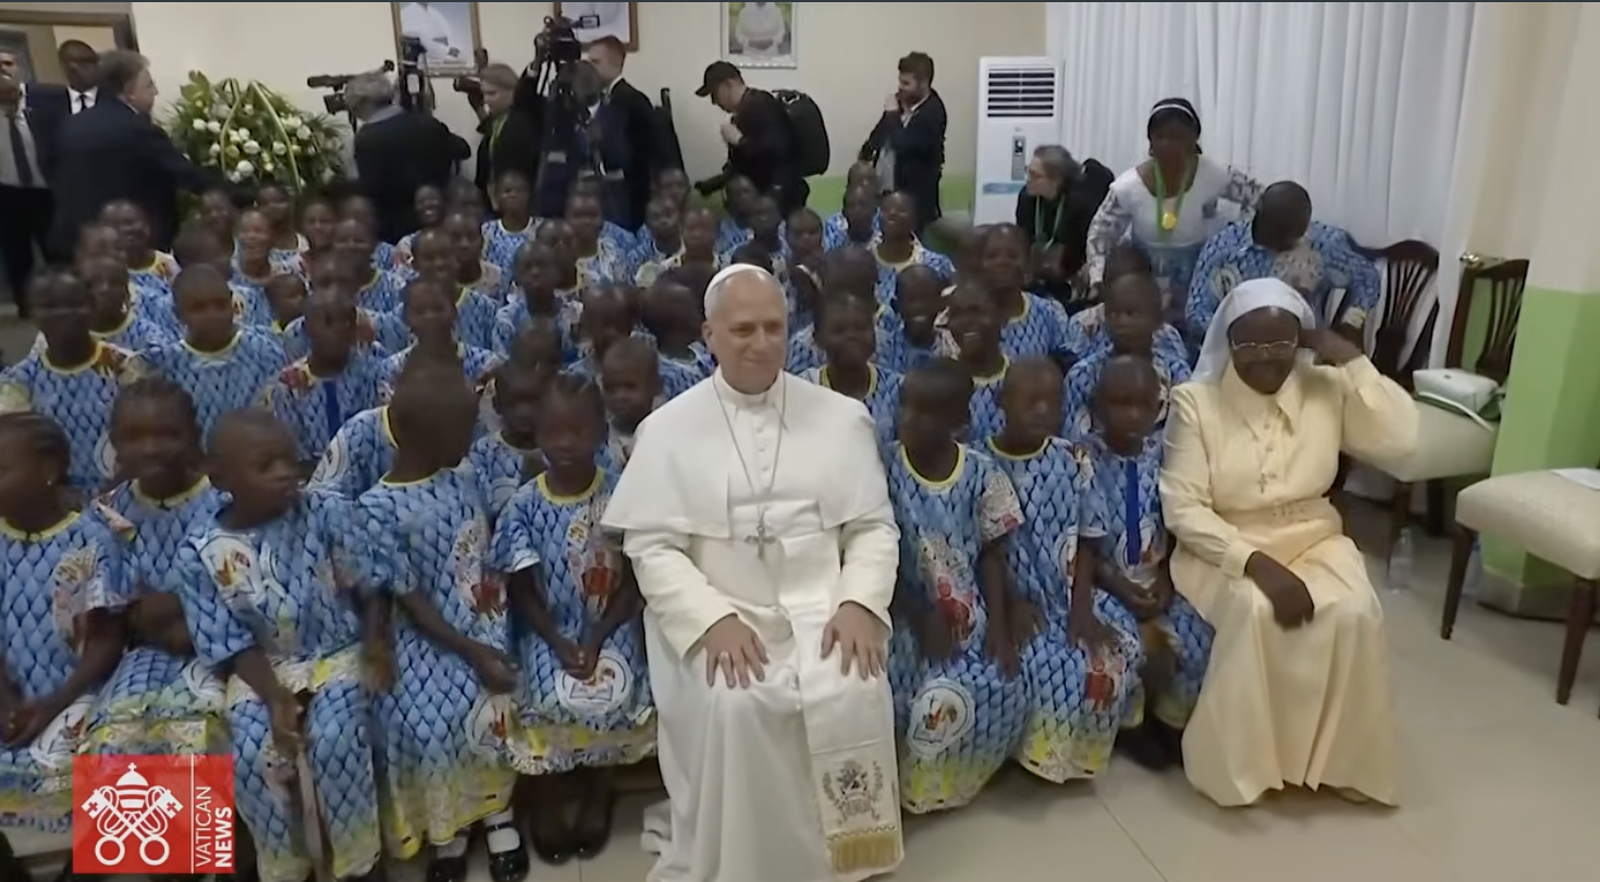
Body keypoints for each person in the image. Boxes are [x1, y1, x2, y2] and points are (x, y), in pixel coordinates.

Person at [600, 264, 904, 882]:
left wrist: (860, 604)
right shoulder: (668, 431)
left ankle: (844, 854)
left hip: (822, 606)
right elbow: (652, 546)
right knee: (739, 704)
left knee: (853, 684)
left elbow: (873, 527)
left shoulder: (841, 419)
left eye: (773, 326)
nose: (761, 342)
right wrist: (712, 622)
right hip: (726, 610)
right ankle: (749, 863)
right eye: (742, 330)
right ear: (708, 334)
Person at [1160, 277, 1416, 807]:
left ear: (1300, 341)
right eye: (1248, 345)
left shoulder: (1324, 386)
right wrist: (1254, 563)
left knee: (1355, 611)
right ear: (1227, 343)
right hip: (1225, 542)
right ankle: (1244, 770)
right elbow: (1184, 509)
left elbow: (1402, 442)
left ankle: (1341, 763)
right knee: (1258, 613)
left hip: (1315, 535)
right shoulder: (1196, 402)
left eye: (1280, 344)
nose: (1264, 360)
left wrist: (1352, 361)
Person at [167, 409, 384, 882]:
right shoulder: (201, 549)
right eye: (267, 464)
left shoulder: (324, 512)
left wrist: (373, 645)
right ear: (221, 476)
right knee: (252, 754)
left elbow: (367, 587)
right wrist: (276, 697)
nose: (286, 472)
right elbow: (229, 641)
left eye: (289, 459)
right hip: (262, 667)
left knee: (333, 740)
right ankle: (284, 865)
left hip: (334, 650)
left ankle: (357, 860)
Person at [357, 367, 527, 882]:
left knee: (494, 703)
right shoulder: (378, 508)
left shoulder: (464, 476)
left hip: (482, 615)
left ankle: (499, 813)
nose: (472, 438)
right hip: (426, 629)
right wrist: (471, 650)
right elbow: (406, 597)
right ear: (427, 437)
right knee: (427, 719)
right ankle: (447, 831)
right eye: (464, 429)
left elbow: (482, 548)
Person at [494, 374, 653, 861]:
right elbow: (523, 594)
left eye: (578, 432)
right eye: (553, 433)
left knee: (618, 688)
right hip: (550, 627)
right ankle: (548, 788)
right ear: (536, 434)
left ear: (600, 434)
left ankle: (600, 781)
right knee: (546, 693)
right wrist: (560, 643)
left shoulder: (623, 495)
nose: (564, 445)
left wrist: (601, 635)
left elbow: (635, 581)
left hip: (611, 621)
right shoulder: (523, 505)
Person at [988, 356, 1143, 783]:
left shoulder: (1073, 459)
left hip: (1070, 592)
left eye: (1053, 402)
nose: (1043, 412)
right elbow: (988, 552)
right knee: (1054, 663)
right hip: (1015, 599)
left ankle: (1080, 755)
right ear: (1002, 401)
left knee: (1116, 648)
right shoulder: (983, 464)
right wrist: (1010, 605)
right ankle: (1038, 755)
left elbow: (1089, 540)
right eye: (1031, 401)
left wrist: (1081, 609)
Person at [885, 358, 1026, 812]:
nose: (909, 419)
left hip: (966, 613)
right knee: (893, 692)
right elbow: (874, 556)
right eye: (905, 406)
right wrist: (917, 613)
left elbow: (992, 555)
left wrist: (1001, 630)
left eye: (927, 413)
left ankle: (939, 783)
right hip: (901, 609)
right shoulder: (884, 467)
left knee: (992, 684)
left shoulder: (982, 474)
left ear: (959, 424)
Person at [1081, 356, 1214, 768]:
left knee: (1198, 635)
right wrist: (1123, 591)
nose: (1132, 415)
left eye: (1143, 404)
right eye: (1119, 404)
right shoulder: (1084, 461)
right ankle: (1132, 724)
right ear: (1098, 409)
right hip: (1105, 583)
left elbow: (1178, 523)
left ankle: (1171, 718)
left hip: (1160, 578)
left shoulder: (1166, 455)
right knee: (1129, 646)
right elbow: (1084, 547)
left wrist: (1169, 579)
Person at [0, 412, 126, 843]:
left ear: (49, 469)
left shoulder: (90, 540)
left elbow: (107, 641)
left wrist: (53, 702)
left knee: (111, 755)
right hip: (13, 698)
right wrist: (6, 700)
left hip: (76, 691)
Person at [88, 378, 227, 757]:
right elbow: (111, 615)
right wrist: (158, 609)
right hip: (137, 655)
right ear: (113, 444)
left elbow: (234, 601)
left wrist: (155, 608)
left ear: (194, 436)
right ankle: (141, 820)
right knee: (111, 739)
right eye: (133, 437)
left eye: (167, 434)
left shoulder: (226, 506)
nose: (150, 448)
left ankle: (203, 819)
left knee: (193, 734)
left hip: (216, 651)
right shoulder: (105, 513)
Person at [1083, 98, 1264, 339]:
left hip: (1201, 277)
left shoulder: (1214, 175)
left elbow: (1260, 198)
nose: (1169, 145)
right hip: (1146, 279)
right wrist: (1098, 278)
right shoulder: (1128, 187)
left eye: (1178, 137)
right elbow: (1100, 234)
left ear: (1194, 140)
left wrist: (1237, 242)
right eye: (1161, 137)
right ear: (1150, 143)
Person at [51, 51, 217, 255]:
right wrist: (247, 195)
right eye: (149, 84)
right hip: (135, 243)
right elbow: (189, 178)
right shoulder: (139, 129)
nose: (155, 91)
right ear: (129, 92)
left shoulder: (70, 124)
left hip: (84, 243)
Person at [1185, 180, 1381, 343]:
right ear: (1259, 212)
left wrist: (1351, 322)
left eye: (1298, 233)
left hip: (1303, 352)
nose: (1293, 241)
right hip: (1237, 352)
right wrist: (1244, 337)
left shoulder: (1321, 242)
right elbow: (1196, 313)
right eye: (1283, 232)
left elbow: (1367, 277)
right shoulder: (1223, 248)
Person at [0, 267, 141, 491]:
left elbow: (147, 435)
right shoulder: (19, 382)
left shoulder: (125, 367)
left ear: (91, 307)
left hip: (126, 487)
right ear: (33, 315)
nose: (62, 314)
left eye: (73, 304)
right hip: (53, 497)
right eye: (49, 307)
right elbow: (17, 450)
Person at [138, 264, 288, 437]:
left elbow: (280, 418)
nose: (212, 315)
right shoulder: (168, 364)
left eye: (221, 305)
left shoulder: (265, 352)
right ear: (178, 313)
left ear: (231, 302)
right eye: (198, 308)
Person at [260, 291, 386, 467]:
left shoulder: (372, 369)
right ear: (307, 328)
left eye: (348, 322)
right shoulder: (287, 386)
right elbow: (295, 455)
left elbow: (382, 437)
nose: (340, 329)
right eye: (328, 322)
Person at [1062, 272, 1191, 442]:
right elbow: (1074, 445)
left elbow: (1185, 438)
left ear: (1156, 320)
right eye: (1113, 314)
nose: (1121, 322)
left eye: (1131, 313)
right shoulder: (1082, 375)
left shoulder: (1176, 374)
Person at [349, 72, 470, 243]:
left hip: (396, 228)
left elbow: (370, 189)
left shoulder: (366, 139)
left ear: (360, 104)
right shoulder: (427, 123)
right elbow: (463, 150)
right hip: (440, 217)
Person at [695, 61, 808, 215]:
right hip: (772, 197)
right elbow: (746, 166)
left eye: (714, 93)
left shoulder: (758, 105)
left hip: (777, 198)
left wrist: (738, 140)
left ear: (729, 84)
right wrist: (713, 184)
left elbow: (777, 150)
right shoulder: (748, 109)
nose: (714, 102)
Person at [803, 288, 903, 449]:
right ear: (818, 338)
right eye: (839, 330)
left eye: (861, 328)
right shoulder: (804, 389)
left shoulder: (898, 389)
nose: (852, 337)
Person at [858, 52, 946, 233]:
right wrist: (866, 154)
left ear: (923, 84)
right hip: (886, 192)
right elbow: (881, 132)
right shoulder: (901, 102)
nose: (901, 87)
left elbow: (903, 144)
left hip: (914, 200)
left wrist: (892, 113)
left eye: (907, 83)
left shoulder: (933, 112)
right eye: (900, 81)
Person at [1015, 144, 1114, 300]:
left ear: (1056, 180)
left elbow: (1085, 249)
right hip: (1039, 272)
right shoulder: (1026, 198)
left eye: (1035, 175)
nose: (1028, 179)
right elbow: (1022, 237)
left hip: (1072, 275)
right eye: (1028, 171)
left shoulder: (1080, 204)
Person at [586, 35, 660, 231]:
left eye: (595, 61)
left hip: (629, 194)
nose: (588, 68)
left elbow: (648, 153)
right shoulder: (594, 100)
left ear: (615, 62)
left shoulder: (632, 101)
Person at [468, 357, 546, 519]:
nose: (524, 412)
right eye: (514, 403)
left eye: (533, 402)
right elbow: (479, 510)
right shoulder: (482, 453)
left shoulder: (560, 451)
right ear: (497, 405)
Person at [0, 75, 51, 317]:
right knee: (17, 253)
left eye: (11, 95)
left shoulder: (37, 116)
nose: (7, 102)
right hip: (9, 194)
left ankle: (60, 296)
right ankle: (25, 305)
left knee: (53, 246)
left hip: (45, 192)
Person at [471, 64, 540, 209]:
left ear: (512, 92)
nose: (486, 100)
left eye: (492, 93)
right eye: (484, 94)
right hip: (492, 202)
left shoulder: (523, 122)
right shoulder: (496, 121)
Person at [400, 1, 471, 71]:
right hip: (428, 58)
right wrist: (447, 50)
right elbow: (421, 40)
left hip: (443, 55)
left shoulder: (433, 12)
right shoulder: (407, 13)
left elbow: (446, 34)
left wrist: (453, 49)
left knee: (463, 59)